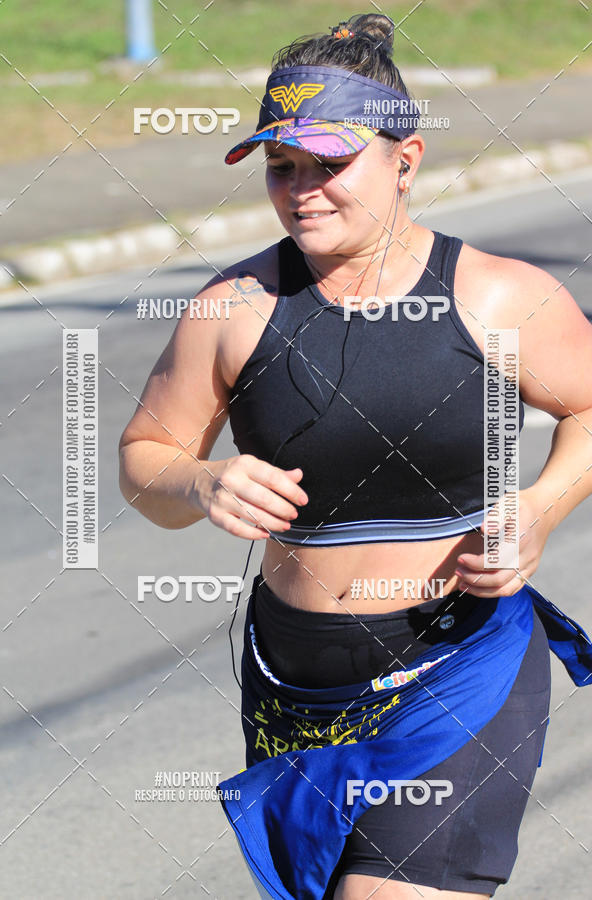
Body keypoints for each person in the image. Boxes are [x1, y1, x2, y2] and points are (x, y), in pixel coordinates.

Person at [118, 12, 592, 900]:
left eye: (328, 165)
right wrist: (202, 479)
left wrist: (540, 508)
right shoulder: (233, 309)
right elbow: (146, 459)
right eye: (281, 167)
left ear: (405, 161)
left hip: (457, 666)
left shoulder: (498, 296)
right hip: (292, 683)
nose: (302, 192)